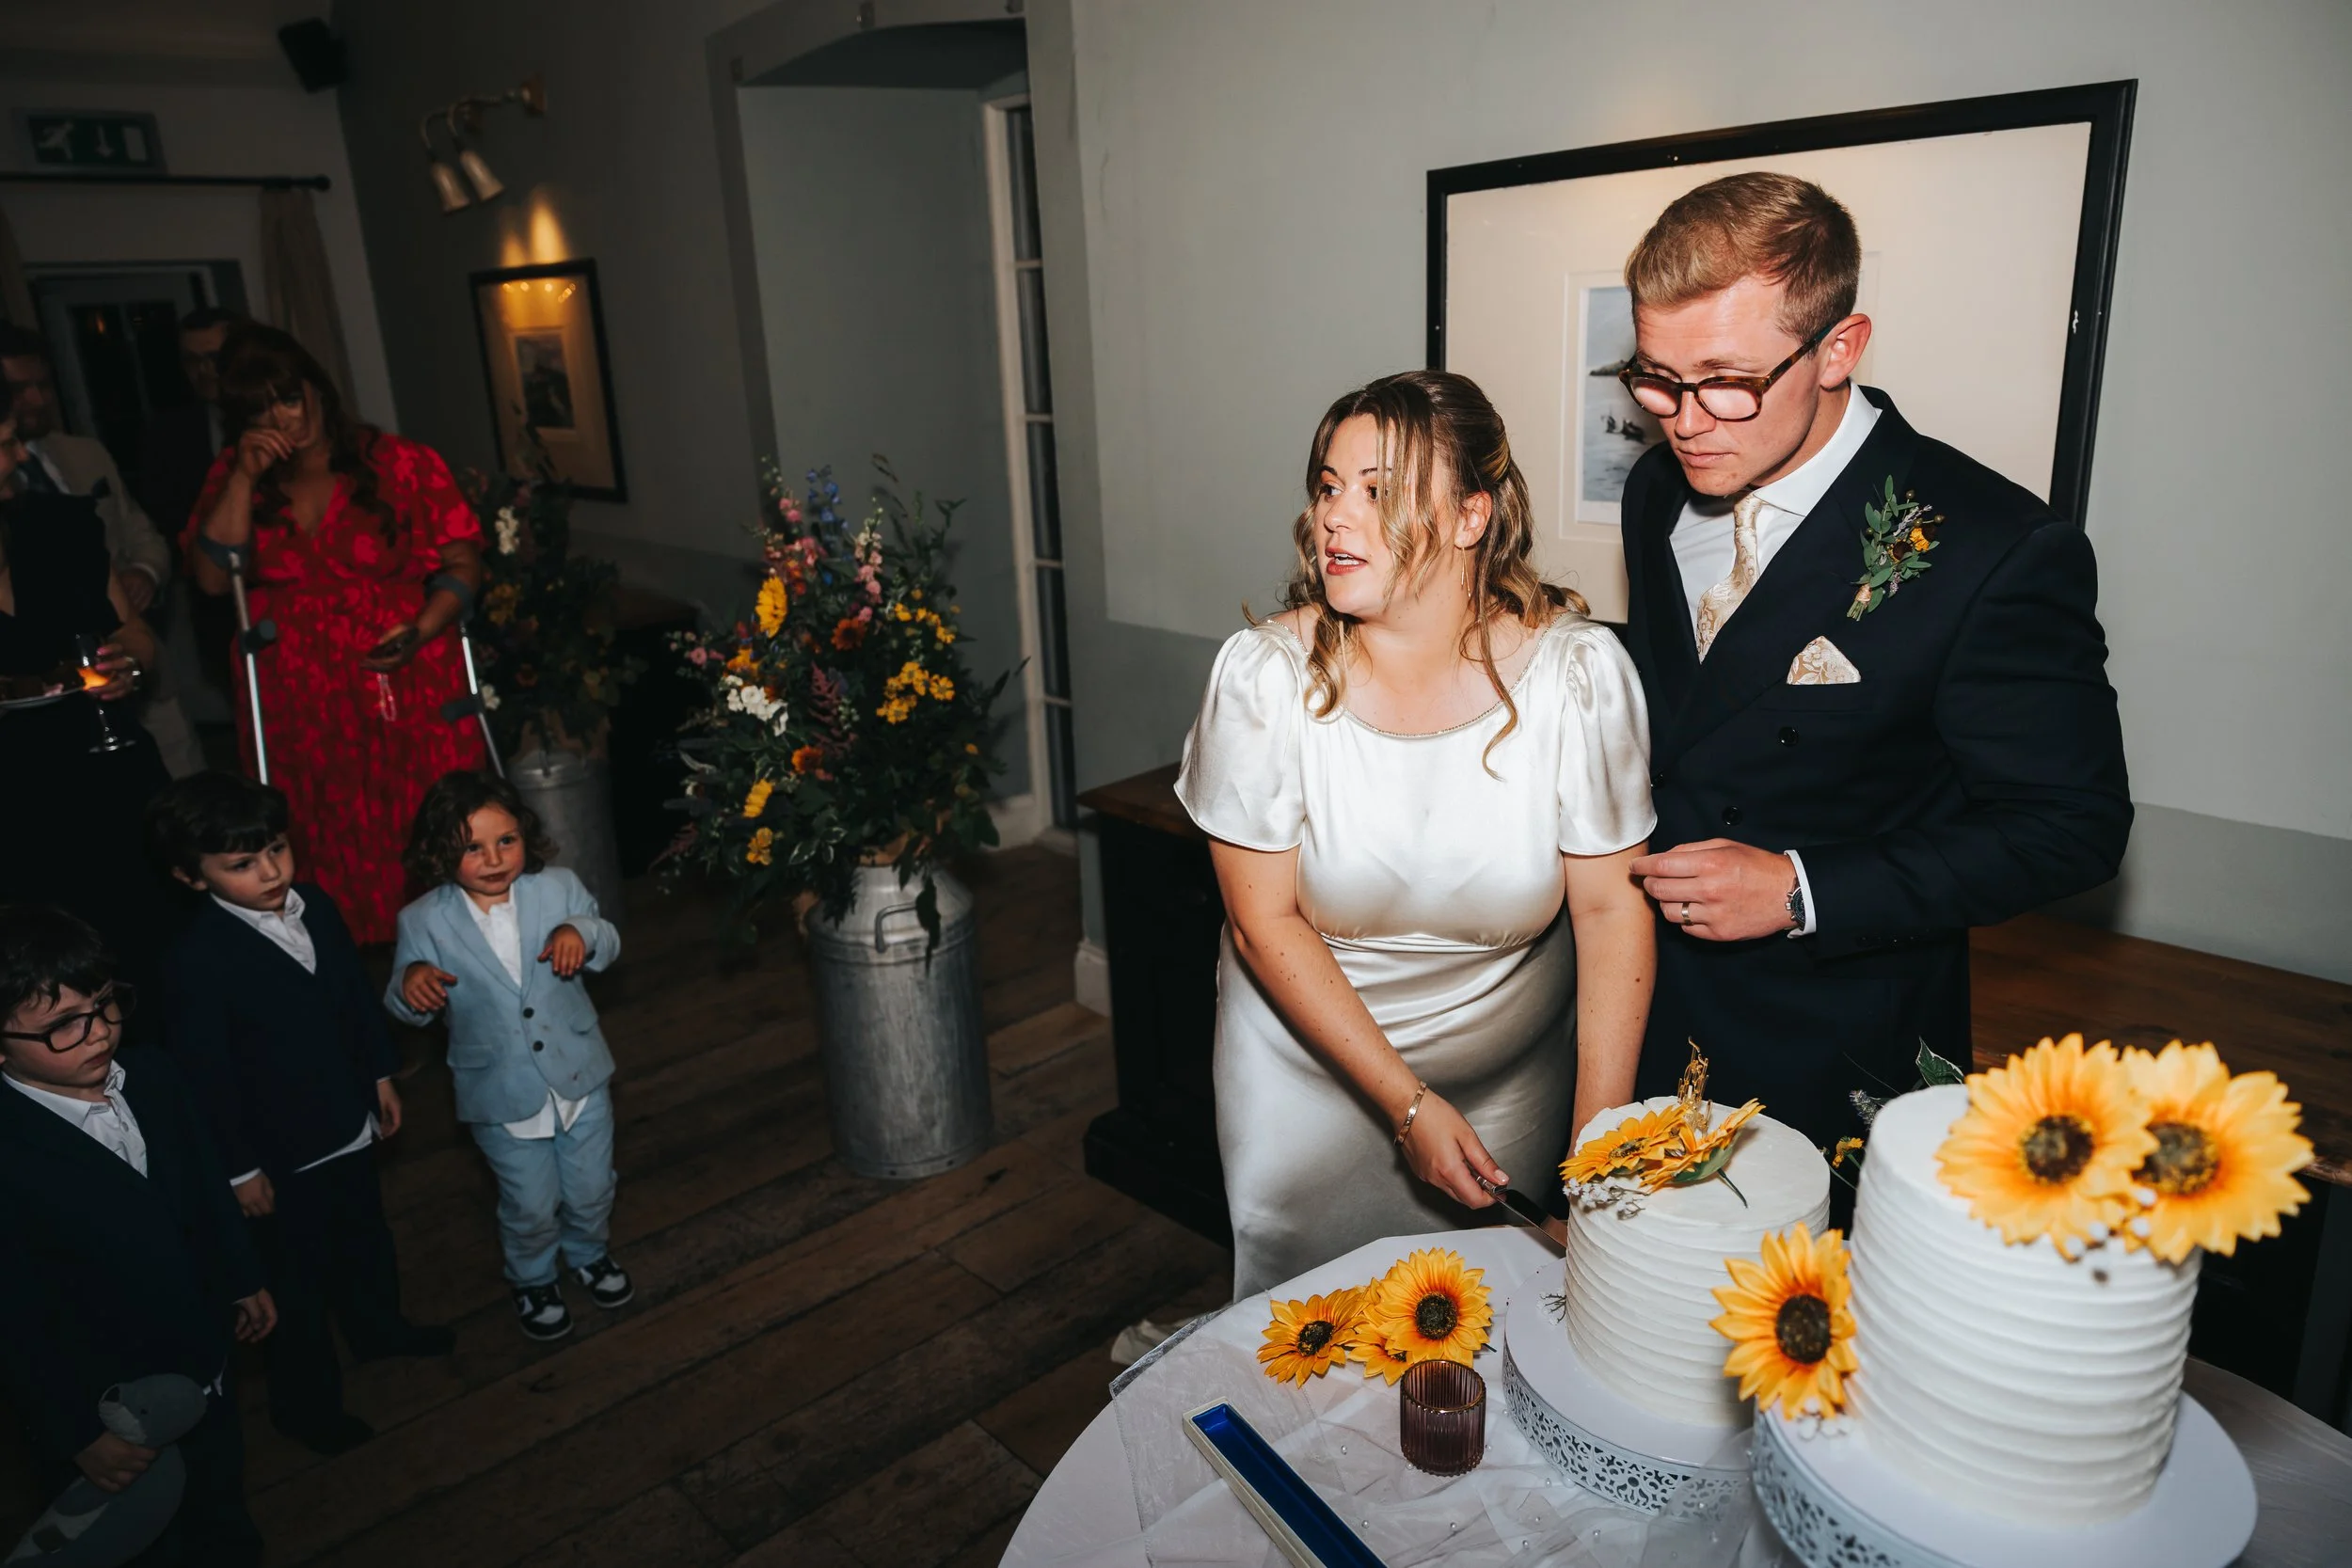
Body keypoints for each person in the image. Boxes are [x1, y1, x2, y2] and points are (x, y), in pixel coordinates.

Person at [1613, 172, 2131, 1150]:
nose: (1682, 419)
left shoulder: (1993, 545)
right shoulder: (1655, 490)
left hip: (1829, 1039)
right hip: (1636, 1001)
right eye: (1654, 377)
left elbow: (2073, 825)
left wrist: (1803, 888)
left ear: (1838, 348)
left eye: (1725, 379)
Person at [1176, 370, 1657, 1298]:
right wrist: (1405, 1105)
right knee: (1306, 1326)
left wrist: (1594, 1156)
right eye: (1327, 486)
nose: (1334, 517)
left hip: (1511, 1074)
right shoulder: (1264, 681)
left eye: (1378, 490)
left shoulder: (1578, 677)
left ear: (1473, 515)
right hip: (1302, 1073)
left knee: (1488, 1325)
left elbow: (1609, 913)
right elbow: (1260, 923)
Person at [146, 771, 454, 1457]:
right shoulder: (194, 961)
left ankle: (380, 1329)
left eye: (277, 850)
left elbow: (352, 994)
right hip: (277, 1154)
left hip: (347, 1120)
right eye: (242, 864)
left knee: (365, 1238)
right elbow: (206, 1079)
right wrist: (240, 1170)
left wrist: (380, 1073)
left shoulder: (316, 903)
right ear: (190, 877)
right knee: (296, 1282)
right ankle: (306, 1404)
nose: (271, 871)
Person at [185, 324, 487, 943]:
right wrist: (243, 476)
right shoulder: (234, 476)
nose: (281, 418)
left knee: (425, 819)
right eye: (259, 407)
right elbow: (214, 579)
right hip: (298, 702)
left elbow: (463, 564)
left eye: (289, 397)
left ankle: (458, 952)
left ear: (318, 391)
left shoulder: (400, 461)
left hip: (402, 681)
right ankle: (338, 961)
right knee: (315, 830)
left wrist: (425, 626)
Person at [0, 906, 276, 1567]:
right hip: (107, 1403)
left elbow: (207, 1187)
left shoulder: (153, 1075)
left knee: (219, 1497)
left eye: (102, 1005)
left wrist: (241, 1275)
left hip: (202, 1362)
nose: (96, 1033)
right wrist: (75, 1431)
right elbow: (13, 1315)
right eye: (62, 1024)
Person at [387, 770, 630, 1341]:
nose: (494, 858)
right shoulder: (421, 920)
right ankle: (533, 1278)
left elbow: (608, 938)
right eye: (472, 847)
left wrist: (582, 931)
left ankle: (590, 1253)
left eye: (506, 840)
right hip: (500, 1094)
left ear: (526, 834)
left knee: (593, 1185)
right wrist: (412, 982)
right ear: (440, 852)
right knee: (529, 1203)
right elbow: (404, 1003)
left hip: (580, 1076)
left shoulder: (558, 888)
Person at [0, 412, 177, 1010]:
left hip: (108, 771)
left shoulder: (59, 525)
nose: (21, 457)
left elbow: (138, 637)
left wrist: (129, 664)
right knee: (44, 983)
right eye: (2, 445)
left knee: (152, 963)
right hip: (15, 802)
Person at [0, 322, 202, 776]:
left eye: (42, 384)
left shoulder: (67, 500)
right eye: (19, 388)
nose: (36, 399)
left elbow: (140, 538)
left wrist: (144, 581)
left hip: (113, 728)